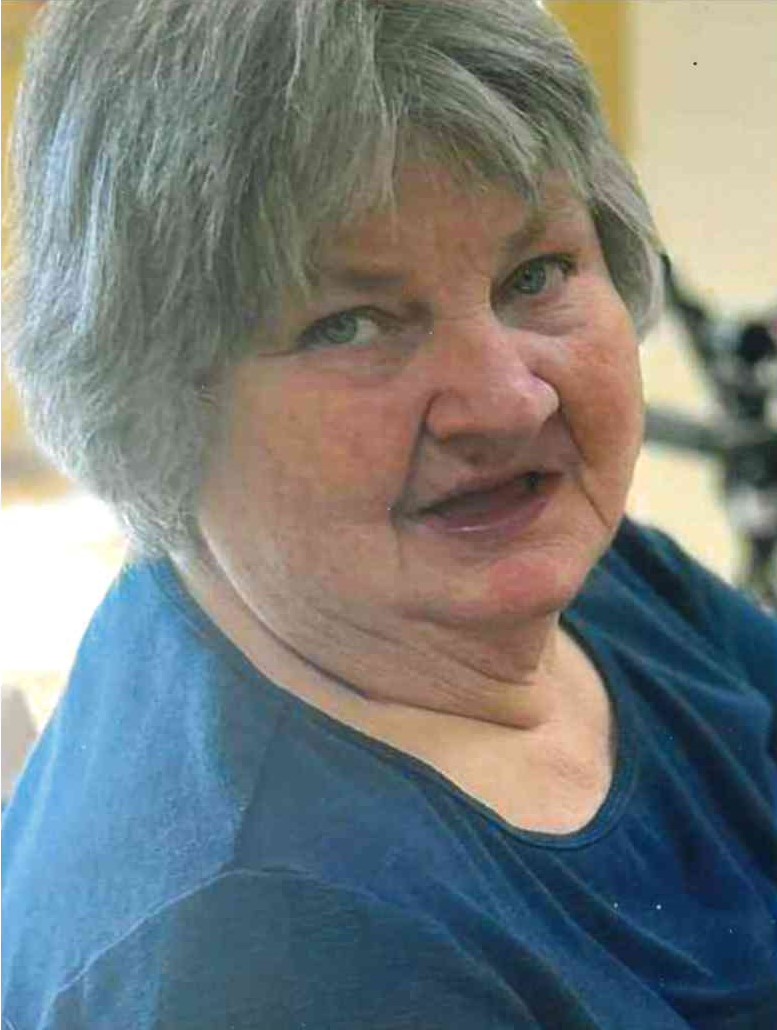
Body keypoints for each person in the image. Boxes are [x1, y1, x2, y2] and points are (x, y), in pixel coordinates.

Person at [3, 0, 776, 1026]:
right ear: (157, 397)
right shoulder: (271, 956)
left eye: (535, 275)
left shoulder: (553, 573)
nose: (507, 402)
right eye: (350, 324)